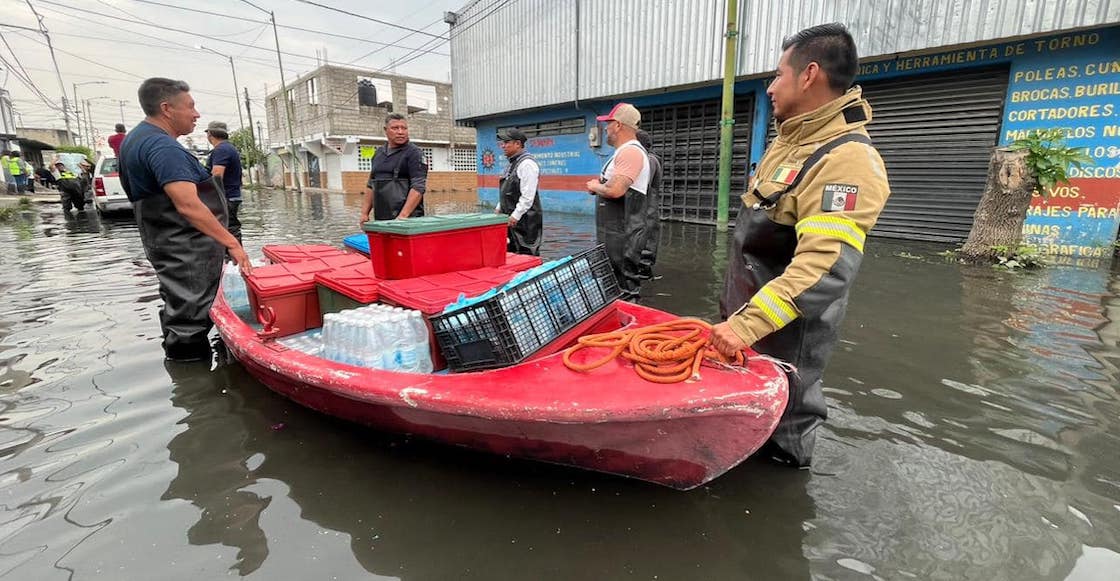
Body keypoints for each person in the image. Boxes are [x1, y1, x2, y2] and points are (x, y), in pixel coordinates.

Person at [708, 23, 891, 468]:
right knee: (740, 437)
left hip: (784, 344)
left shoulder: (846, 159)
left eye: (777, 75)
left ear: (808, 75)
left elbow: (825, 268)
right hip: (749, 334)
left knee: (778, 447)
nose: (770, 88)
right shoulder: (791, 140)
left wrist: (744, 327)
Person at [118, 77, 251, 362]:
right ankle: (194, 380)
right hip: (184, 246)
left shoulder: (137, 139)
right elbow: (188, 205)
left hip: (168, 242)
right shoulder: (163, 147)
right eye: (191, 106)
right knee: (190, 315)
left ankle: (186, 374)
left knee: (180, 305)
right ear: (167, 109)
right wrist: (232, 243)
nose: (197, 114)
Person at [586, 102, 651, 301]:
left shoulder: (630, 152)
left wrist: (595, 186)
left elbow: (615, 190)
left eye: (609, 123)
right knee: (613, 287)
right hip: (615, 234)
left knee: (624, 288)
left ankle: (629, 328)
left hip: (622, 235)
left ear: (619, 125)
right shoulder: (623, 152)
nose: (606, 128)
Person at [358, 113, 427, 225]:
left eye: (404, 128)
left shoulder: (414, 153)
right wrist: (364, 213)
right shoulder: (378, 153)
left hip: (408, 221)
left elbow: (418, 187)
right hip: (382, 218)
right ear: (385, 130)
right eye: (395, 128)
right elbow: (371, 185)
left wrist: (402, 218)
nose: (400, 132)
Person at [494, 128, 542, 256]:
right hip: (511, 218)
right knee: (511, 251)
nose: (503, 146)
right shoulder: (512, 164)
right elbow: (508, 190)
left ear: (518, 144)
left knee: (526, 252)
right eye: (502, 143)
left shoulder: (527, 164)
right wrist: (499, 207)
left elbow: (527, 196)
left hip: (525, 221)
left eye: (506, 142)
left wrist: (515, 216)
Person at [630, 129, 663, 284]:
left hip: (646, 210)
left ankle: (643, 273)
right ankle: (644, 272)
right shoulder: (652, 159)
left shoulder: (648, 160)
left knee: (645, 239)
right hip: (648, 209)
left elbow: (640, 185)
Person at [205, 121, 244, 243]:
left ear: (210, 134)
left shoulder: (221, 150)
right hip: (231, 196)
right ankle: (232, 258)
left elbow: (217, 175)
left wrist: (209, 197)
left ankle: (235, 260)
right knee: (228, 228)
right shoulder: (228, 148)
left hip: (226, 197)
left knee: (228, 228)